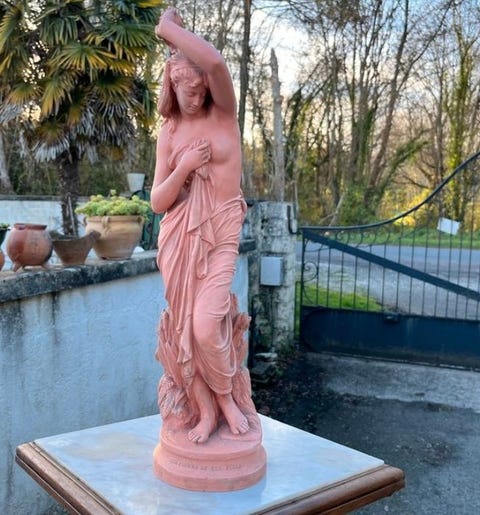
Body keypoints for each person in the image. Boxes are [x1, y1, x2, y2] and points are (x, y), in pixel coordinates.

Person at [151, 8, 258, 445]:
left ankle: (228, 399)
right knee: (183, 332)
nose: (192, 99)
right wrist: (185, 167)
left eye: (198, 91)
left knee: (205, 325)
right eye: (184, 91)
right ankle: (207, 410)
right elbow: (158, 201)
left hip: (221, 233)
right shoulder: (170, 131)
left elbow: (215, 62)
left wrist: (169, 30)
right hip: (179, 237)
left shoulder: (224, 116)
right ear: (172, 87)